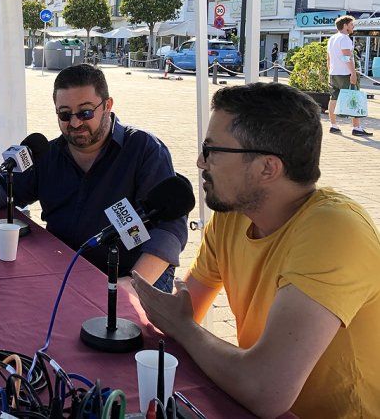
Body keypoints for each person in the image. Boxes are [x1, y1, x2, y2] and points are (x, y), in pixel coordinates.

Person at [132, 82, 380, 418]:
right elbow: (186, 310)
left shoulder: (335, 231)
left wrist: (186, 329)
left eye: (212, 150)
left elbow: (266, 390)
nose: (200, 162)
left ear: (267, 168)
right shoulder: (233, 216)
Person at [0, 64, 187, 292]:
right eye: (65, 114)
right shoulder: (48, 155)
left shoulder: (144, 149)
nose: (75, 123)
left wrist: (129, 286)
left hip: (133, 276)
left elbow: (170, 229)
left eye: (86, 112)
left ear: (108, 105)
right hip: (64, 269)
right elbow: (3, 184)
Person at [327, 15, 372, 136]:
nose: (353, 27)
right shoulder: (345, 39)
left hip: (334, 73)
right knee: (354, 98)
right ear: (345, 26)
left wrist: (330, 71)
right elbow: (347, 57)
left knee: (334, 99)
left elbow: (329, 58)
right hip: (345, 74)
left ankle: (333, 125)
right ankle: (356, 128)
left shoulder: (332, 39)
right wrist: (353, 73)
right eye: (351, 25)